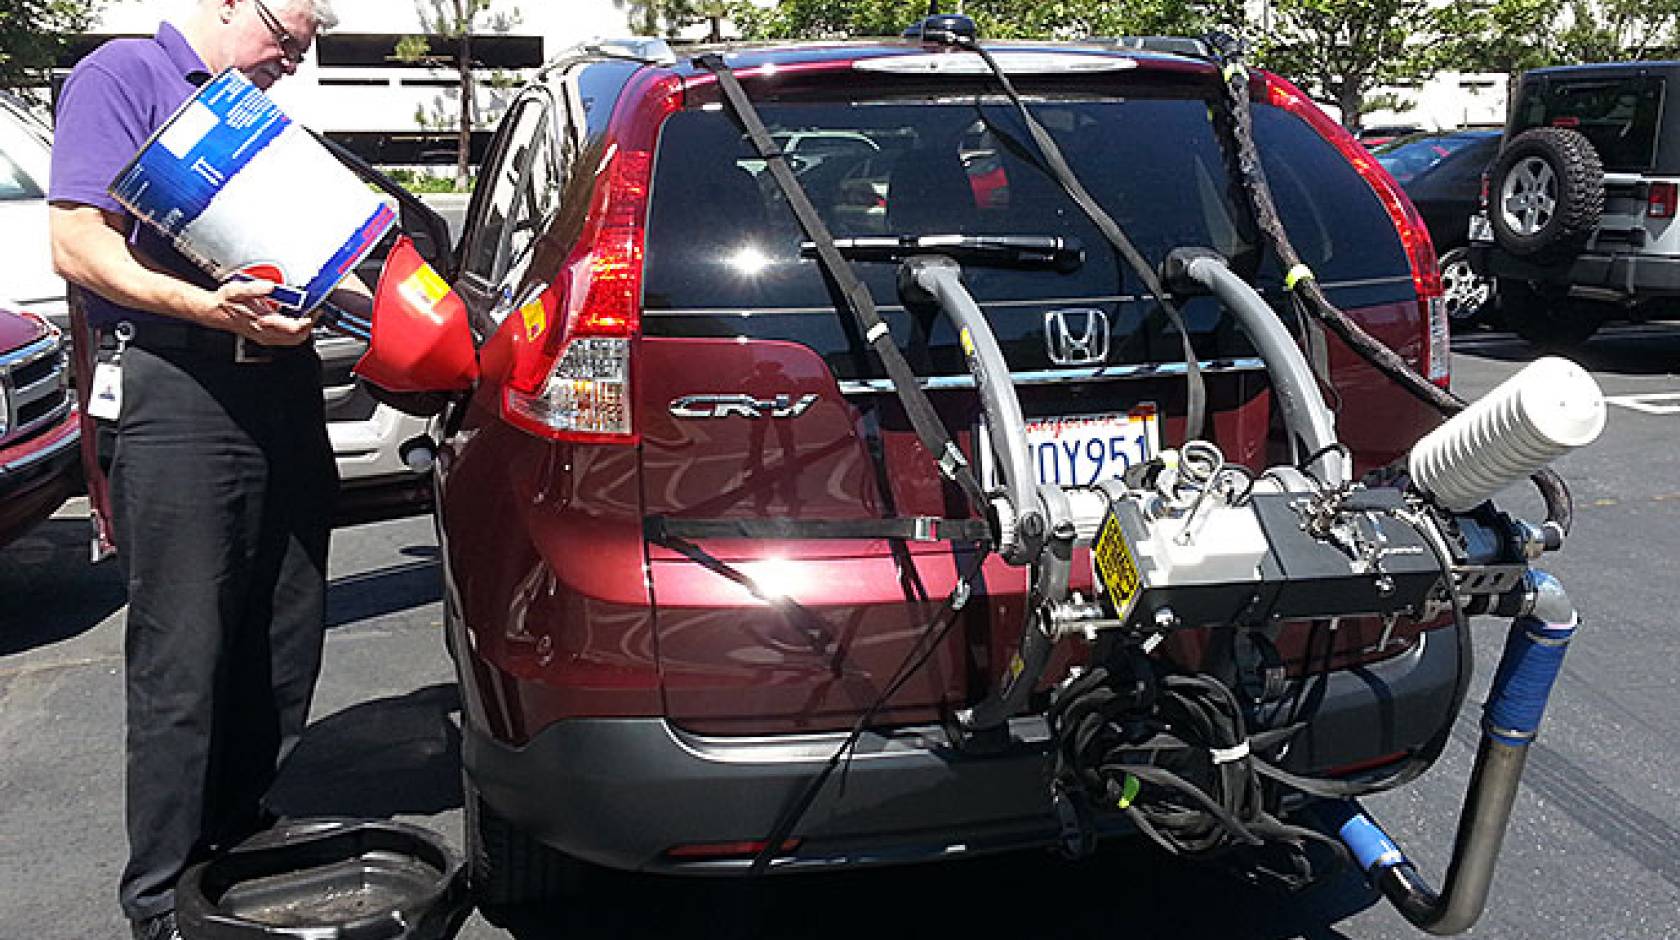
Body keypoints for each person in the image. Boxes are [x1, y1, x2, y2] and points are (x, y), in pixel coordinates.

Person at [46, 2, 362, 938]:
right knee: (183, 654)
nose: (292, 63)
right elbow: (76, 242)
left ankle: (236, 834)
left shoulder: (253, 115)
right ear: (229, 2)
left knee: (284, 630)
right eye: (286, 39)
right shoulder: (124, 78)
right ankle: (160, 899)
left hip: (281, 387)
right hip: (179, 389)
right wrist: (207, 308)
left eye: (304, 51)